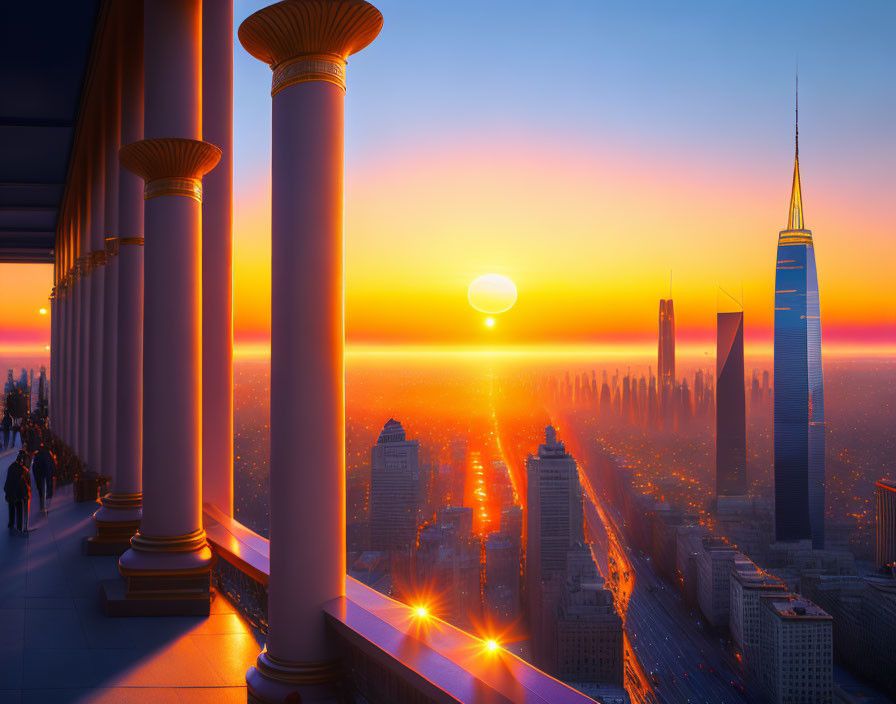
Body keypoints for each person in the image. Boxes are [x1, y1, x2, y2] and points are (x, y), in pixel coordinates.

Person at [4, 451, 30, 535]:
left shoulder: (11, 467)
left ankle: (11, 523)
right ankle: (19, 526)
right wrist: (27, 494)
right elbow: (27, 484)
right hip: (19, 493)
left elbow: (8, 480)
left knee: (11, 507)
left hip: (10, 492)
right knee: (20, 509)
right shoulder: (24, 470)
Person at [32, 443, 56, 513]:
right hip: (48, 475)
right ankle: (48, 506)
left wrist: (36, 475)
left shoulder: (37, 455)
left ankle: (42, 506)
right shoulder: (49, 455)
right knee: (49, 489)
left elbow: (34, 467)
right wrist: (53, 473)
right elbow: (52, 465)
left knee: (41, 491)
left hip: (39, 475)